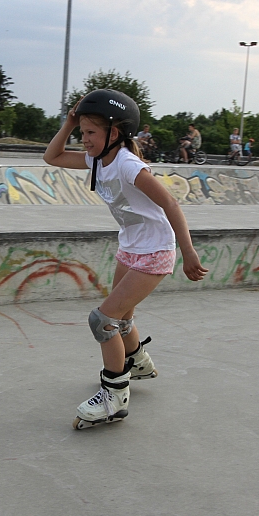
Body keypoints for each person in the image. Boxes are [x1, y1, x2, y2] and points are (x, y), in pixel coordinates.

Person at [41, 89, 208, 429]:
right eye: (83, 133)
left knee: (102, 320)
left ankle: (114, 396)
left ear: (113, 133)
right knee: (122, 316)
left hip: (155, 250)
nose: (84, 140)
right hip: (131, 246)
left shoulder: (128, 165)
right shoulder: (97, 160)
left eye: (90, 133)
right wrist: (70, 122)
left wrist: (188, 252)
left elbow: (171, 204)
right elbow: (52, 157)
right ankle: (138, 362)